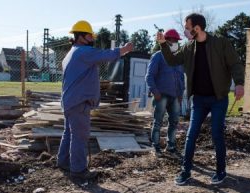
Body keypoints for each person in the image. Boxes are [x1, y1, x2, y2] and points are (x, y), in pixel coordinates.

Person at [156, 13, 245, 185]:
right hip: (198, 100)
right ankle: (186, 171)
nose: (185, 32)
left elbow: (235, 63)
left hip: (218, 98)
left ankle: (220, 171)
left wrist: (240, 83)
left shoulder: (221, 43)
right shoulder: (189, 47)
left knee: (217, 135)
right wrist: (162, 45)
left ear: (197, 28)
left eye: (187, 28)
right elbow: (172, 60)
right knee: (191, 135)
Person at [57, 20, 133, 181]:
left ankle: (63, 162)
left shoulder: (71, 53)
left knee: (69, 133)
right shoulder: (84, 52)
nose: (92, 38)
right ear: (81, 36)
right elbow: (106, 55)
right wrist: (124, 50)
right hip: (79, 102)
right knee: (80, 136)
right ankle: (78, 170)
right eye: (90, 35)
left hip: (69, 101)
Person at [145, 29, 185, 158]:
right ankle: (156, 147)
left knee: (174, 122)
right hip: (161, 95)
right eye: (172, 40)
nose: (175, 42)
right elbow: (149, 76)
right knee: (158, 122)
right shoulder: (157, 56)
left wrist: (180, 94)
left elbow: (181, 78)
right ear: (166, 41)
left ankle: (171, 147)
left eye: (176, 41)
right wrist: (155, 92)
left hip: (175, 96)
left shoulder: (178, 58)